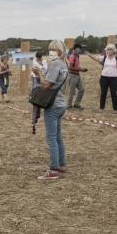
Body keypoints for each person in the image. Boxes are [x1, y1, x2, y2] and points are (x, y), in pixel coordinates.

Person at [32, 39, 68, 180]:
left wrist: (39, 73)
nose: (50, 52)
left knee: (52, 138)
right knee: (58, 136)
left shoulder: (55, 64)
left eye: (52, 49)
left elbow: (47, 84)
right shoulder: (64, 65)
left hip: (52, 106)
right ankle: (61, 166)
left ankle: (53, 170)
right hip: (61, 104)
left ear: (58, 51)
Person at [85, 43, 117, 113]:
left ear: (114, 50)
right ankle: (101, 107)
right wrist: (89, 55)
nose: (109, 50)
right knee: (103, 93)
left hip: (114, 78)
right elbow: (96, 58)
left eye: (111, 49)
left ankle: (116, 109)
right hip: (104, 77)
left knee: (113, 93)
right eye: (108, 49)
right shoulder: (104, 57)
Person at [67, 43, 87, 110]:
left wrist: (80, 69)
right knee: (72, 91)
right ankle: (69, 106)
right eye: (80, 48)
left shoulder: (77, 56)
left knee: (82, 89)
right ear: (76, 48)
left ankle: (76, 104)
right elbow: (70, 67)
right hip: (72, 75)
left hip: (77, 75)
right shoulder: (72, 56)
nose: (81, 50)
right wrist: (79, 69)